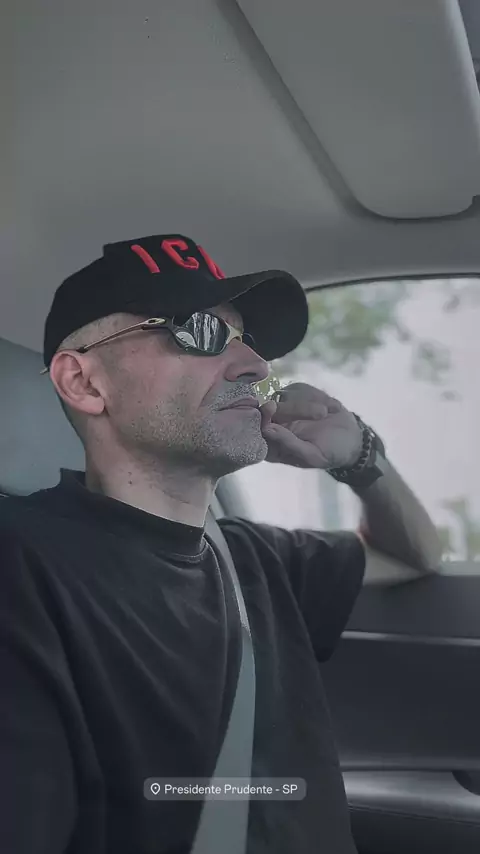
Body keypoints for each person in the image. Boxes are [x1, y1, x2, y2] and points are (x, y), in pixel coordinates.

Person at [0, 233, 442, 854]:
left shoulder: (254, 559)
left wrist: (361, 456)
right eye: (199, 330)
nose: (255, 366)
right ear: (84, 382)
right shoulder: (21, 570)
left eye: (246, 339)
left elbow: (412, 555)